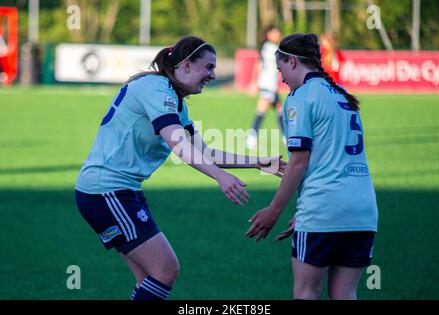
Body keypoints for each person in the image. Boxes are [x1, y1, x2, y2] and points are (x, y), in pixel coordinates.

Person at [75, 36, 286, 300]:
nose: (213, 75)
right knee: (165, 269)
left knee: (148, 280)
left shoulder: (173, 99)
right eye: (208, 67)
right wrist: (220, 177)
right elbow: (178, 144)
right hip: (106, 192)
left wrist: (258, 162)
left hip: (116, 192)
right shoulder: (157, 88)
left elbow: (205, 153)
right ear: (186, 65)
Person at [246, 33, 378, 300]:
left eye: (281, 68)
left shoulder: (301, 97)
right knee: (346, 293)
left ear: (292, 62)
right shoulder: (345, 96)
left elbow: (298, 163)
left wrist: (274, 211)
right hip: (362, 212)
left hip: (324, 209)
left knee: (307, 293)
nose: (281, 78)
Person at [246, 25, 284, 149]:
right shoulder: (271, 48)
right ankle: (251, 138)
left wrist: (254, 82)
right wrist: (253, 82)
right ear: (269, 35)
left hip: (269, 85)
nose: (278, 34)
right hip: (268, 84)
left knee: (279, 109)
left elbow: (258, 64)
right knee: (264, 110)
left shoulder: (267, 47)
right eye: (275, 32)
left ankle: (285, 137)